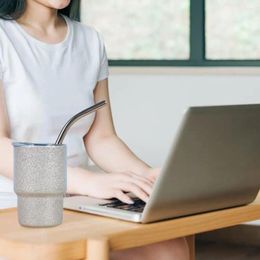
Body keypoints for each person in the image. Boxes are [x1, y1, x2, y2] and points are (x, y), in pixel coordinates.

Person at [0, 0, 190, 259]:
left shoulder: (89, 40)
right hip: (15, 206)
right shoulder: (4, 38)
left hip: (78, 201)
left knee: (170, 249)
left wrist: (146, 178)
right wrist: (87, 181)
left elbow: (101, 137)